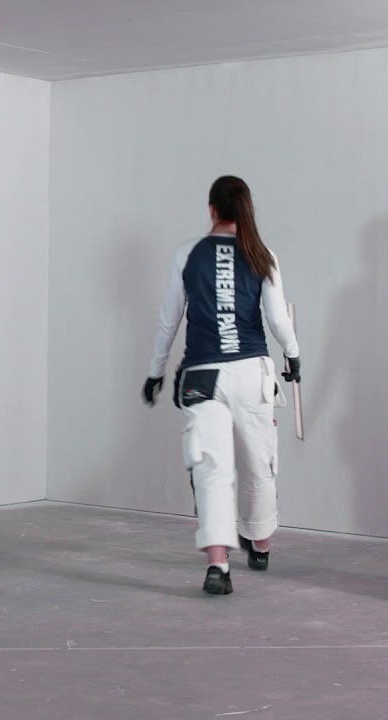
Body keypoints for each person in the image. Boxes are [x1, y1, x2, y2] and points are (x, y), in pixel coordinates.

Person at [142, 175, 301, 596]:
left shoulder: (187, 253)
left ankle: (218, 566)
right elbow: (278, 319)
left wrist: (156, 371)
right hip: (251, 373)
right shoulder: (263, 254)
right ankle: (260, 544)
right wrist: (293, 354)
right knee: (258, 462)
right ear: (246, 210)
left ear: (211, 209)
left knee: (211, 468)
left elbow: (169, 320)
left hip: (203, 376)